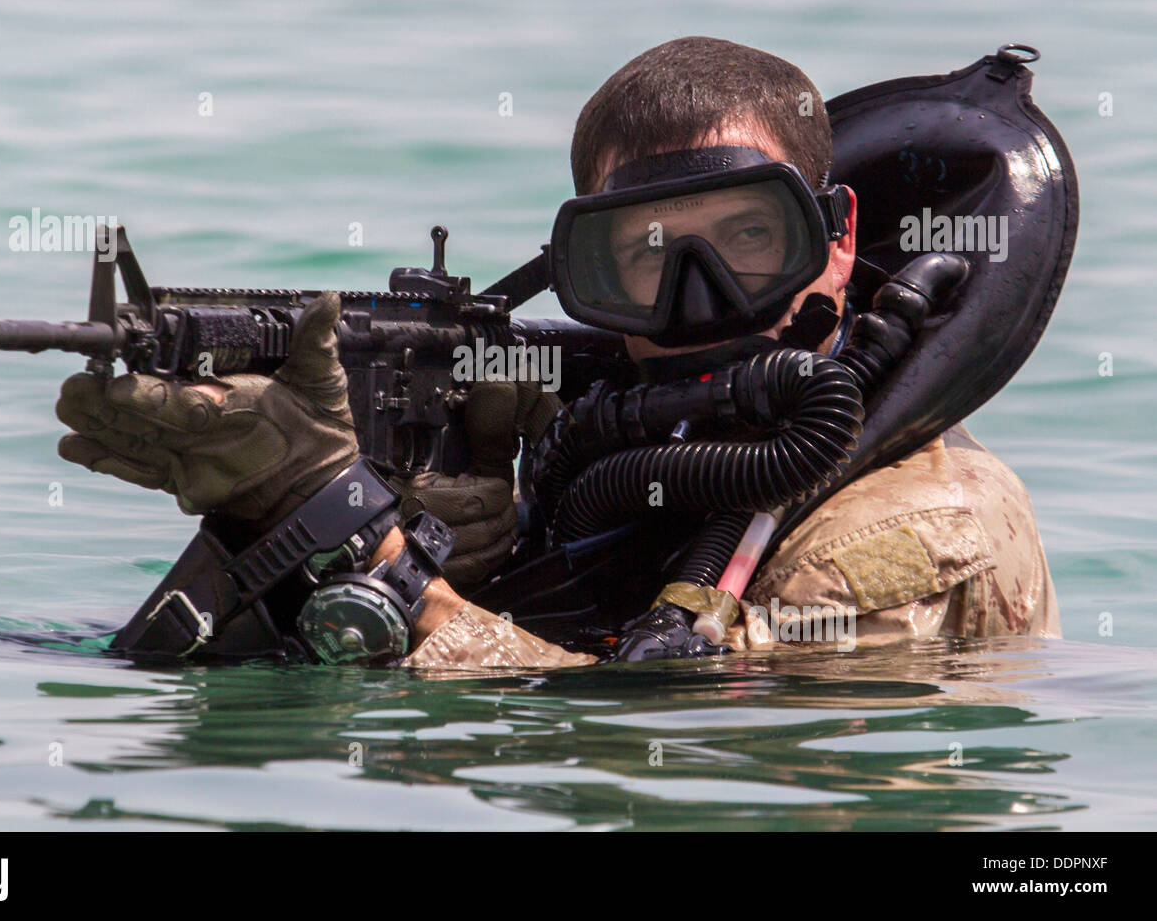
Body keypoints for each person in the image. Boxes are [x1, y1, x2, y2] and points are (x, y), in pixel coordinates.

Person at [55, 37, 1061, 669]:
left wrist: (368, 550)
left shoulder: (911, 527)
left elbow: (680, 742)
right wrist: (429, 530)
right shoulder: (637, 449)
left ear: (837, 238)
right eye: (647, 259)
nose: (697, 303)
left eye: (749, 242)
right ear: (581, 270)